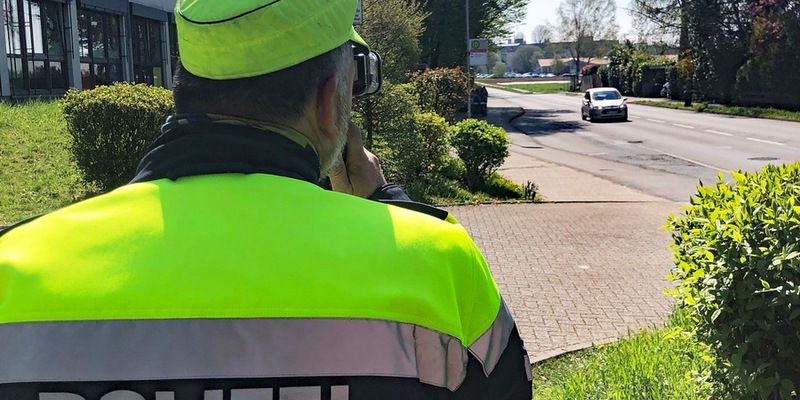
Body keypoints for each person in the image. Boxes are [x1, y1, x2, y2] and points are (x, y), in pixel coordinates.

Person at [0, 0, 532, 399]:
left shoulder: (14, 263)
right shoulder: (438, 265)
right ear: (330, 103)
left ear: (185, 87)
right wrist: (391, 209)